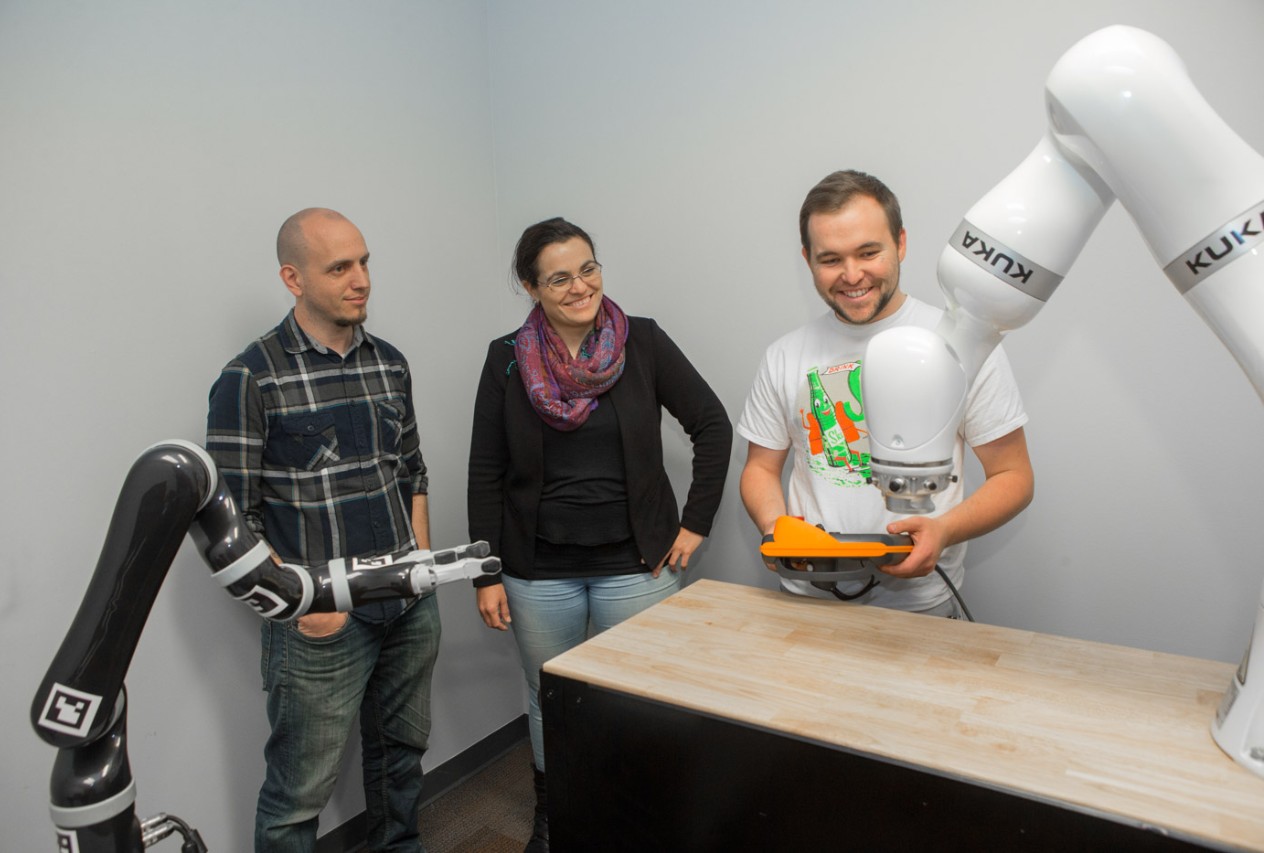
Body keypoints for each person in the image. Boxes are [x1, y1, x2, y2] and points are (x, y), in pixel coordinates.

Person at [468, 217, 733, 852]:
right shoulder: (506, 359)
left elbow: (712, 425)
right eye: (558, 277)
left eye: (588, 268)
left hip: (637, 567)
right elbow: (486, 469)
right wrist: (485, 571)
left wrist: (694, 523)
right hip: (536, 572)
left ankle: (646, 818)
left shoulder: (641, 342)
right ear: (532, 288)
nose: (579, 286)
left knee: (645, 701)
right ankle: (554, 816)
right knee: (547, 700)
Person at [206, 208, 439, 852]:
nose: (360, 279)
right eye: (340, 267)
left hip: (406, 603)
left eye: (364, 262)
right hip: (321, 621)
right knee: (295, 797)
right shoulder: (250, 377)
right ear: (293, 277)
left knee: (401, 759)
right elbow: (227, 521)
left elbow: (413, 473)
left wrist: (419, 566)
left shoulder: (389, 364)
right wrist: (300, 606)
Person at [739, 170, 1034, 614]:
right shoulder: (783, 355)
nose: (852, 274)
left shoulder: (963, 345)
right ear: (807, 259)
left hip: (919, 607)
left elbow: (1014, 476)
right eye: (830, 259)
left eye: (868, 252)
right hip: (806, 600)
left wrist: (945, 531)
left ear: (900, 243)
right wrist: (775, 527)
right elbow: (760, 468)